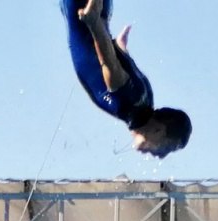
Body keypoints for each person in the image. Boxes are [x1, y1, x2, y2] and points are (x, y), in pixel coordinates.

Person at [64, 0, 192, 158]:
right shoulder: (129, 103)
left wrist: (121, 46)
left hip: (99, 10)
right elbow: (110, 63)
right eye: (166, 148)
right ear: (159, 130)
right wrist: (94, 20)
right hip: (85, 8)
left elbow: (122, 64)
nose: (160, 156)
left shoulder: (146, 99)